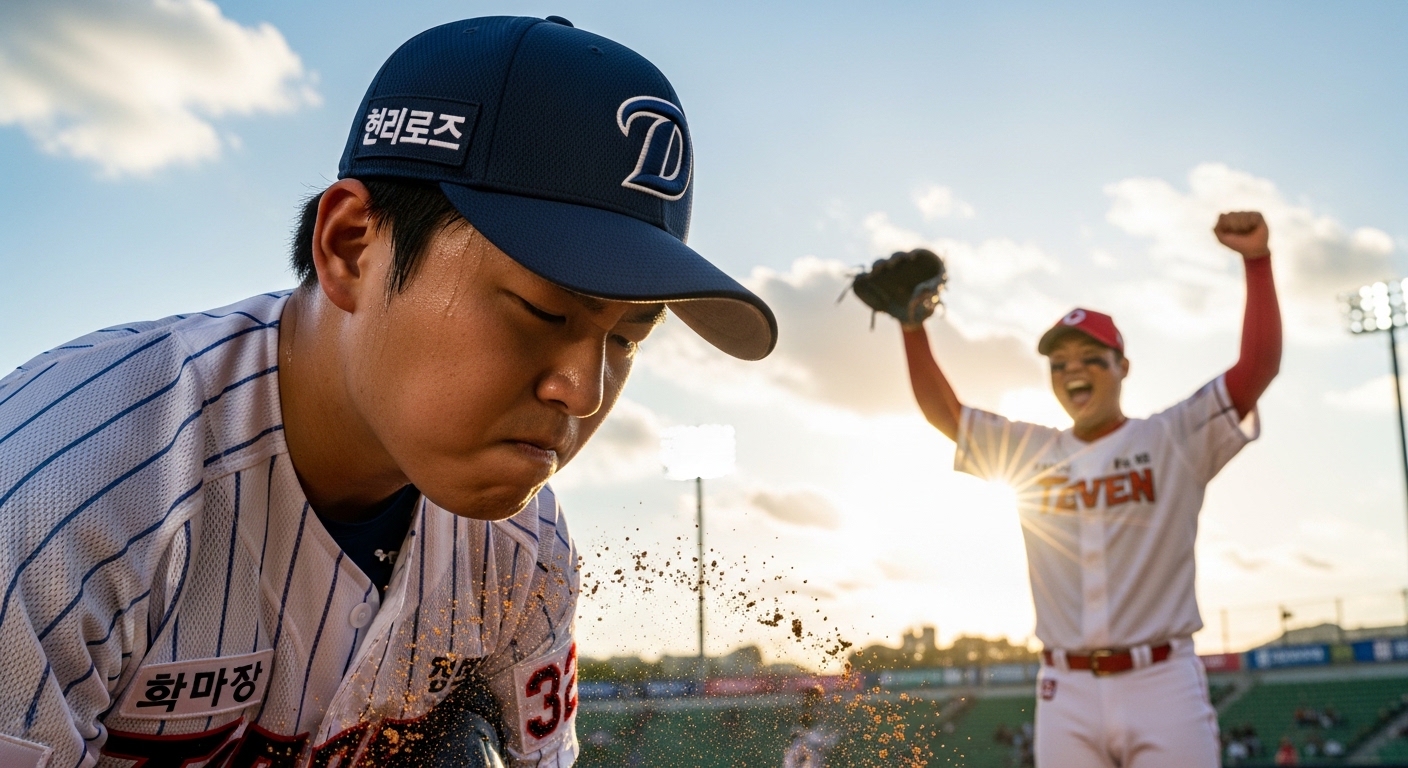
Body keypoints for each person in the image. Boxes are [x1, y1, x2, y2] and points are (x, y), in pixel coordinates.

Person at [0, 15, 776, 768]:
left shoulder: (524, 550)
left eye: (626, 339)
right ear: (350, 249)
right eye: (543, 310)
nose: (581, 389)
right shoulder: (63, 492)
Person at [897, 211, 1281, 767]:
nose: (1072, 370)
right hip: (1064, 688)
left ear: (1122, 366)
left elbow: (1256, 369)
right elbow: (947, 416)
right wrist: (912, 328)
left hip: (1162, 683)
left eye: (1089, 358)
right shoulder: (1032, 453)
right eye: (1058, 364)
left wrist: (1257, 262)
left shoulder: (1173, 436)